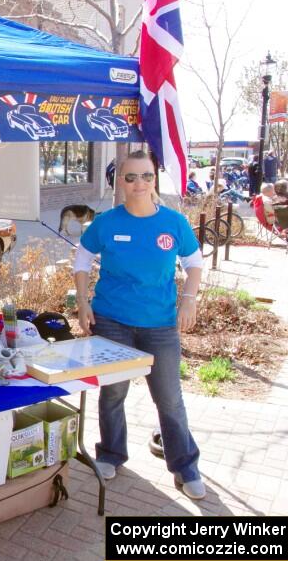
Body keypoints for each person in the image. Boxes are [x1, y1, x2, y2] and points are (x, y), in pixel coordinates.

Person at [73, 150, 206, 500]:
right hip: (112, 321)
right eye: (130, 177)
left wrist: (188, 299)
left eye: (146, 176)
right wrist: (83, 300)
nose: (139, 183)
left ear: (154, 179)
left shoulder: (174, 223)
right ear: (121, 181)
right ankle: (111, 454)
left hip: (159, 325)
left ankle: (185, 466)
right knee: (113, 392)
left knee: (169, 399)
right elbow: (83, 257)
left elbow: (194, 262)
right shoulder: (107, 222)